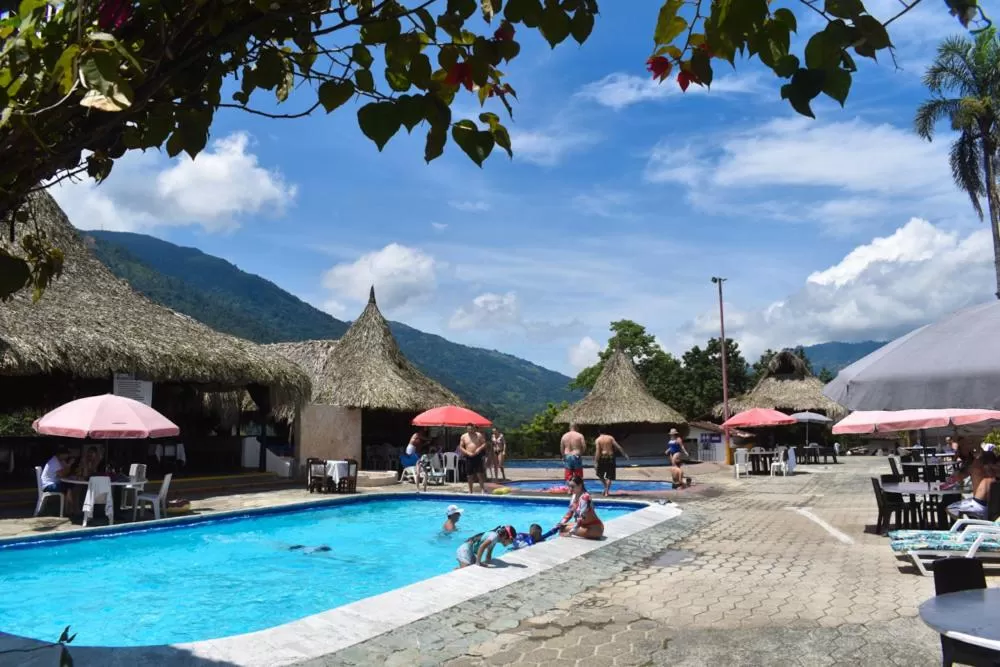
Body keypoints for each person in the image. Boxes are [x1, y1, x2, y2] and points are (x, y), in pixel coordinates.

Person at [942, 438, 1000, 519]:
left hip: (978, 505)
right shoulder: (990, 474)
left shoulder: (976, 467)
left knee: (949, 507)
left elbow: (957, 477)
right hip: (985, 504)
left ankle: (966, 524)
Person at [595, 431, 629, 497]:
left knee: (599, 474)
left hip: (602, 457)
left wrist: (596, 461)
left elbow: (598, 451)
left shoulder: (598, 440)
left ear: (599, 432)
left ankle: (606, 489)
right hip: (611, 457)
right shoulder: (610, 438)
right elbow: (618, 447)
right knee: (609, 475)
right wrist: (624, 454)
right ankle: (606, 491)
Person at [460, 423, 488, 494]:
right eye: (469, 429)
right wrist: (467, 452)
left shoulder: (478, 435)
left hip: (477, 456)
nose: (470, 430)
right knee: (469, 475)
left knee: (480, 474)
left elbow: (484, 443)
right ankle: (470, 490)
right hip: (469, 456)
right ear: (466, 429)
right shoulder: (464, 436)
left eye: (471, 429)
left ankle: (482, 489)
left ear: (474, 428)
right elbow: (461, 447)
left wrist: (479, 449)